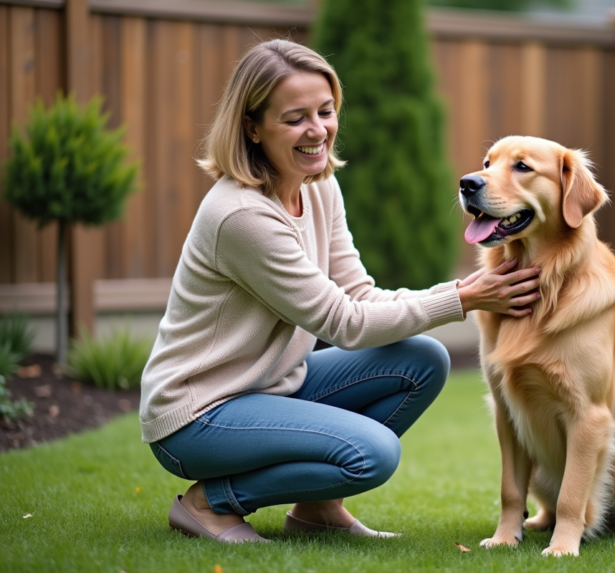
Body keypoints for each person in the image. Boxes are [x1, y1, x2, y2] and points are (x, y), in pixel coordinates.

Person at [139, 39, 541, 543]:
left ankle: (317, 509)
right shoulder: (242, 216)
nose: (318, 130)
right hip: (199, 414)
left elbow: (359, 294)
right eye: (295, 118)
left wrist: (459, 293)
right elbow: (343, 324)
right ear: (252, 127)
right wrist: (462, 297)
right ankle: (209, 503)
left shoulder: (318, 185)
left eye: (326, 112)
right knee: (371, 454)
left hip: (270, 386)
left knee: (421, 360)